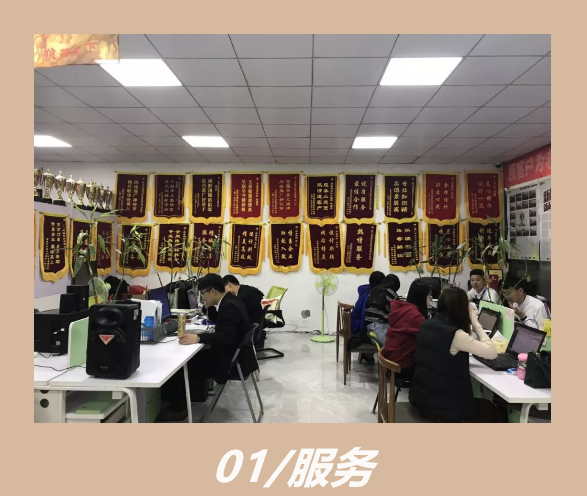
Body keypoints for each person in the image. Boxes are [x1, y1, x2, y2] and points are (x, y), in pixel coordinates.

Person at [158, 274, 257, 421]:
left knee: (182, 366)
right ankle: (182, 402)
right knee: (192, 359)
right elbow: (222, 322)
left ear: (213, 291)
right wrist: (209, 307)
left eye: (203, 294)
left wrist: (199, 338)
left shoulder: (229, 306)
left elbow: (226, 337)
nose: (202, 298)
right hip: (234, 356)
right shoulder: (230, 300)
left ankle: (178, 409)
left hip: (227, 362)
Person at [409, 287, 502, 422]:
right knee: (491, 410)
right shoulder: (455, 335)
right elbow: (492, 352)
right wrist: (475, 322)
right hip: (445, 407)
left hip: (423, 399)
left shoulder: (427, 324)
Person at [383, 280, 432, 379]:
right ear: (422, 298)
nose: (430, 299)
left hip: (393, 362)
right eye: (429, 296)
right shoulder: (415, 316)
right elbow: (429, 339)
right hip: (402, 368)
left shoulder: (403, 309)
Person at [364, 274, 400, 344]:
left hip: (369, 326)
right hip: (380, 326)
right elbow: (399, 310)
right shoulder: (389, 292)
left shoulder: (374, 290)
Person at [351, 271, 384, 336]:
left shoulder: (365, 290)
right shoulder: (371, 295)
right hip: (360, 328)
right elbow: (364, 316)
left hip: (354, 323)